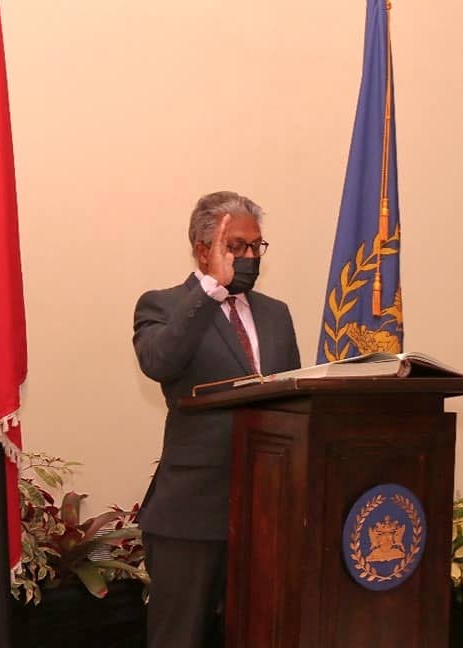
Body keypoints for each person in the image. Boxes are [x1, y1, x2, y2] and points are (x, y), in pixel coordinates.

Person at [132, 191, 300, 648]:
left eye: (256, 247)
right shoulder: (163, 306)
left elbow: (294, 401)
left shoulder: (276, 314)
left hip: (267, 509)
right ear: (203, 248)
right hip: (191, 511)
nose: (249, 257)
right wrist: (210, 291)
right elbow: (160, 363)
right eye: (236, 247)